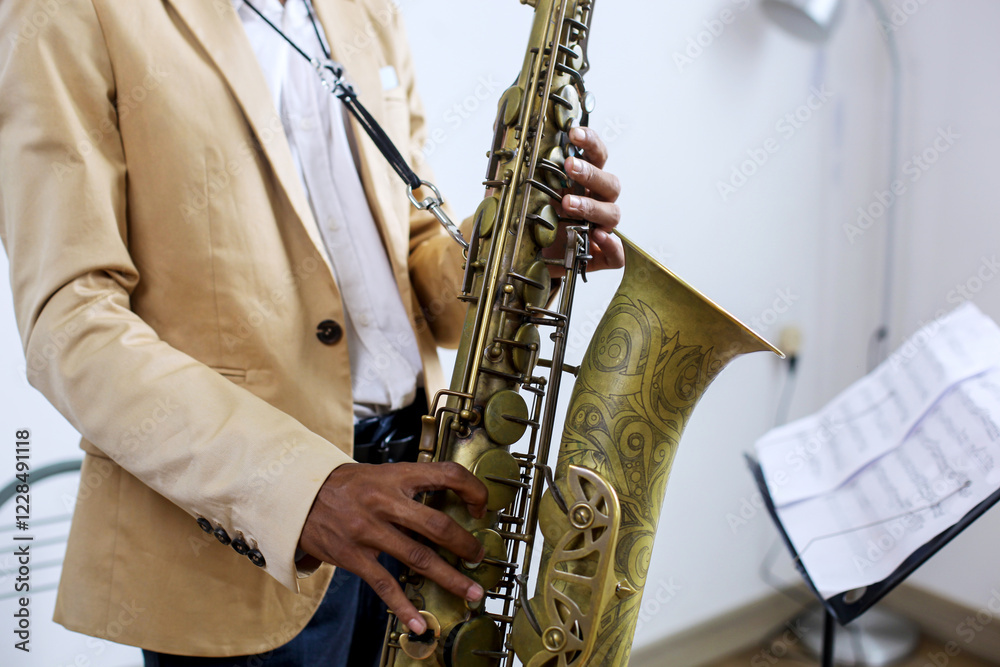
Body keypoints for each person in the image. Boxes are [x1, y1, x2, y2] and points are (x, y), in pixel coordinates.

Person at [0, 0, 623, 664]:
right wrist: (301, 487)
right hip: (242, 535)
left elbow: (409, 262)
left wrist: (526, 247)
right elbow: (71, 324)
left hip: (424, 476)